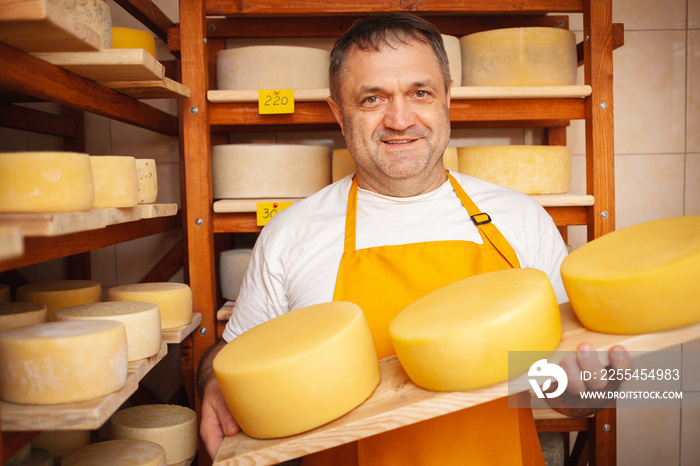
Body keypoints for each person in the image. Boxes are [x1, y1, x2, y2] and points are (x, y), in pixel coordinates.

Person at [197, 12, 632, 464]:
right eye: (372, 98)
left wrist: (588, 391)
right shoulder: (292, 232)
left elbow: (563, 391)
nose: (400, 119)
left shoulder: (520, 218)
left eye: (420, 93)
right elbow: (235, 354)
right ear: (338, 113)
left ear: (447, 99)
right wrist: (212, 381)